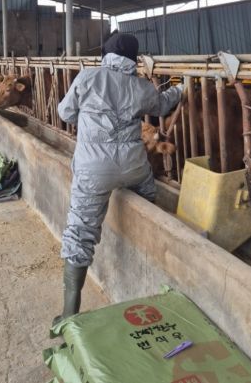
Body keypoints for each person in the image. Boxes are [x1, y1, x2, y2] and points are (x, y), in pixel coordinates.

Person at [55, 33, 183, 322]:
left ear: (106, 55)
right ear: (133, 59)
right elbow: (162, 106)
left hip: (93, 170)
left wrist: (87, 120)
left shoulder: (87, 78)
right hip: (133, 167)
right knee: (148, 190)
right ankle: (147, 243)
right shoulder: (140, 86)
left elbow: (65, 113)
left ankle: (68, 316)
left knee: (79, 231)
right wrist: (181, 89)